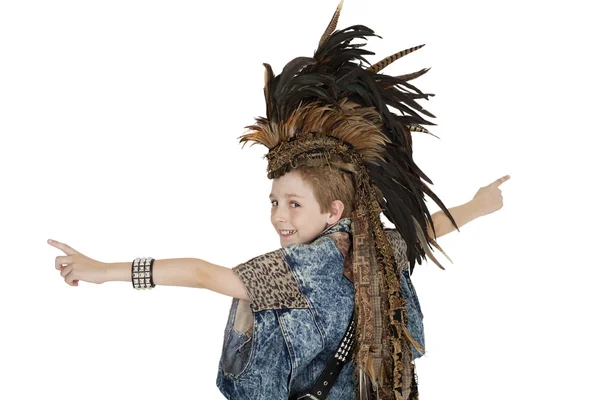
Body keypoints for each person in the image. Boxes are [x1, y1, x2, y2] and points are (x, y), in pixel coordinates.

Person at [48, 1, 509, 399]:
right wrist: (479, 204)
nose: (278, 217)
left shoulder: (295, 269)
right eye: (274, 201)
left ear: (334, 211)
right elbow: (425, 229)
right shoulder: (381, 249)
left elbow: (203, 274)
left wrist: (103, 272)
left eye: (293, 204)